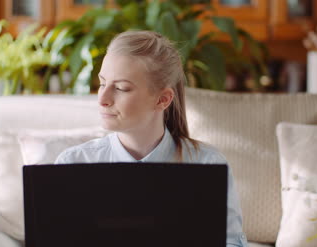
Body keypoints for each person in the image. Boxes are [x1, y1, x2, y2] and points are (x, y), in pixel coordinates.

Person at [55, 30, 248, 247]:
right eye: (102, 83)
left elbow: (230, 243)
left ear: (162, 99)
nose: (103, 98)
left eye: (121, 88)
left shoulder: (208, 164)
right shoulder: (72, 165)